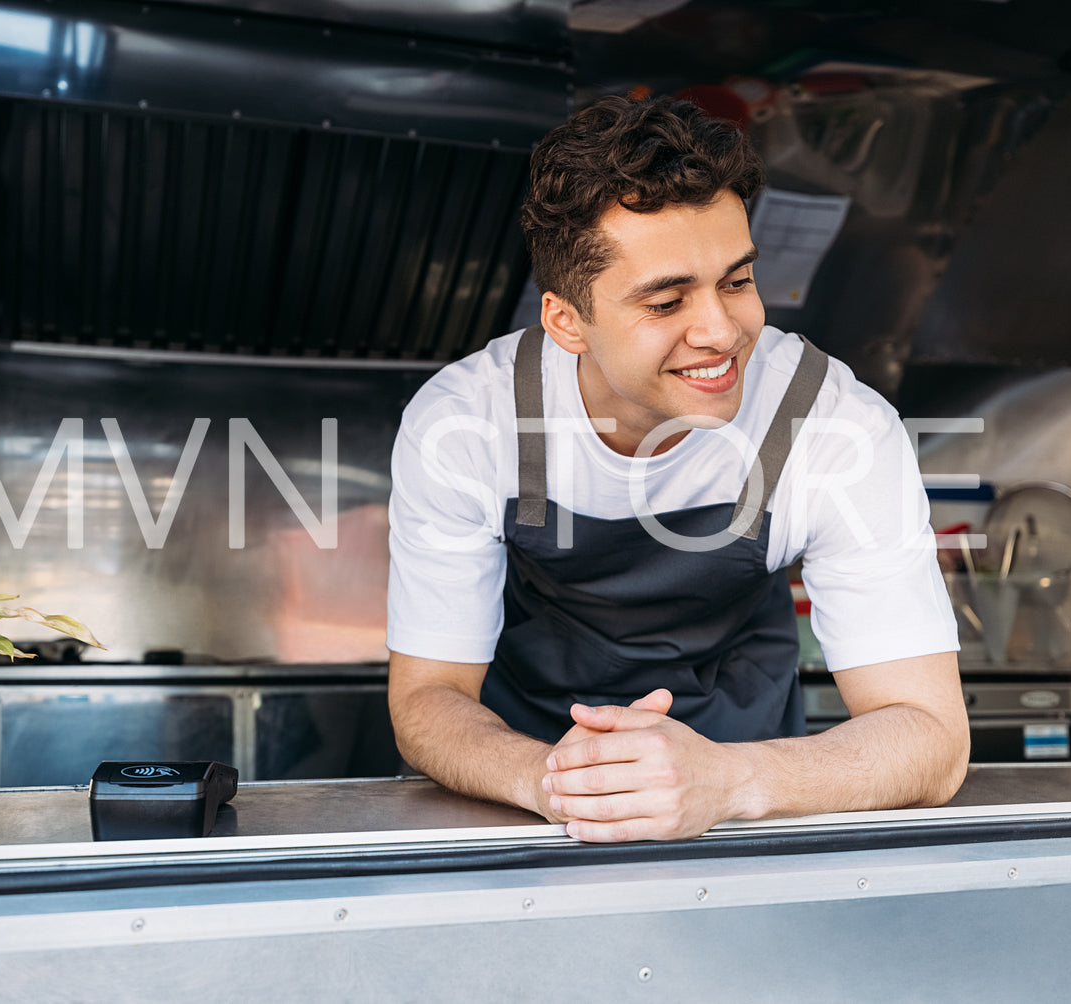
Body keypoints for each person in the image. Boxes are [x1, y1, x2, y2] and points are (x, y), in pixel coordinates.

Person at [384, 94, 969, 843]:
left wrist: (731, 781)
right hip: (518, 806)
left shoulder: (833, 425)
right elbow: (428, 700)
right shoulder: (469, 422)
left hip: (747, 806)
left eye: (735, 281)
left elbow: (932, 739)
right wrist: (555, 784)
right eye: (666, 300)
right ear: (566, 320)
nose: (721, 333)